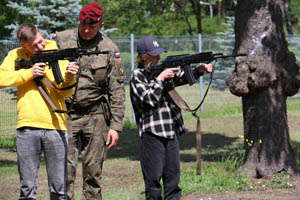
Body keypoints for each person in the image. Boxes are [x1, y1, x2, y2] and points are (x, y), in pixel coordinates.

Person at [54, 2, 126, 200]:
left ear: (101, 24)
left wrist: (116, 126)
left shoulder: (109, 49)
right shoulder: (61, 40)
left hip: (96, 117)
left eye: (91, 26)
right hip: (65, 115)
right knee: (63, 173)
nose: (86, 30)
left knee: (93, 174)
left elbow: (117, 90)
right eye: (83, 25)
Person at [0, 24, 79, 199]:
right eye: (34, 46)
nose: (41, 47)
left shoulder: (55, 51)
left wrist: (70, 75)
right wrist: (28, 73)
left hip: (56, 126)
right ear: (24, 46)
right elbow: (1, 78)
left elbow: (65, 92)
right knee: (27, 188)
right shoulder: (15, 56)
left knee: (59, 188)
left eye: (41, 41)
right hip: (27, 127)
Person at [130, 37, 213, 200]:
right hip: (152, 134)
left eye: (159, 55)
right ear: (144, 57)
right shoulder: (137, 76)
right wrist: (160, 79)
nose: (158, 58)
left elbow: (183, 77)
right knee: (153, 183)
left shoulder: (161, 72)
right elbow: (148, 98)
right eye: (154, 55)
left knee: (173, 182)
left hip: (170, 131)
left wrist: (200, 69)